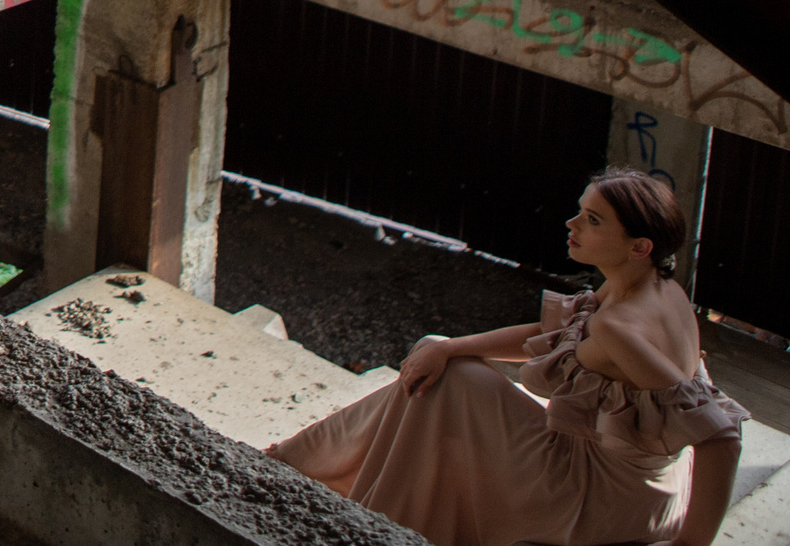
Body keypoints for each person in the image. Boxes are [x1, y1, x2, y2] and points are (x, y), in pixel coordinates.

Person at [269, 171, 745, 546]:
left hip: (597, 498)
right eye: (580, 212)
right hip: (632, 482)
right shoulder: (651, 285)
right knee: (438, 353)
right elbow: (551, 335)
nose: (572, 225)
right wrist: (450, 346)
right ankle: (315, 465)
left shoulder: (621, 328)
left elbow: (721, 436)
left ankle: (321, 476)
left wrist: (691, 544)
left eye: (593, 220)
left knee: (447, 382)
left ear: (639, 247)